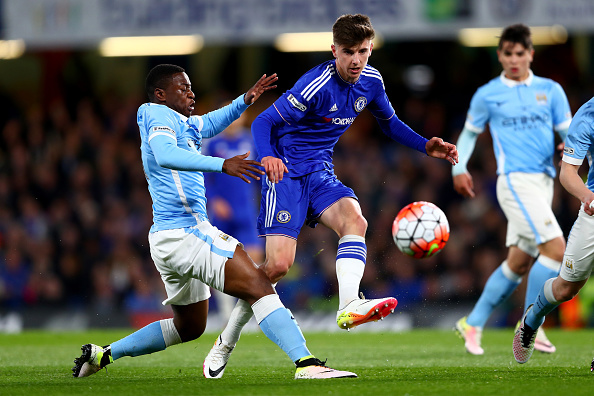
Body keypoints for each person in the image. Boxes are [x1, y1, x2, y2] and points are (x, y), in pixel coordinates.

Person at [203, 14, 459, 379]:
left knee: (356, 220)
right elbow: (263, 123)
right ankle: (226, 341)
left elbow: (388, 122)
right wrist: (269, 156)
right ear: (334, 50)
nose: (357, 60)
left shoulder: (371, 81)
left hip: (321, 172)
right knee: (276, 267)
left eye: (364, 52)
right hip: (287, 174)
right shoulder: (315, 84)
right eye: (350, 52)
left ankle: (349, 303)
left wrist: (424, 144)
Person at [71, 64, 357, 380]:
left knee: (189, 326)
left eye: (191, 87)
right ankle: (307, 364)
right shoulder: (155, 114)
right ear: (160, 94)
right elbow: (164, 154)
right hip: (187, 233)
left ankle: (103, 355)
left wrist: (244, 101)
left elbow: (209, 123)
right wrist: (222, 165)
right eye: (183, 88)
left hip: (168, 239)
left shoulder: (183, 123)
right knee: (259, 284)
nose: (191, 92)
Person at [452, 24, 572, 355]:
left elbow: (569, 132)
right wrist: (458, 167)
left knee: (518, 263)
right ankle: (531, 324)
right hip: (515, 181)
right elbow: (469, 133)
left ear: (530, 54)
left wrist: (567, 148)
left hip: (544, 182)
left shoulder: (551, 90)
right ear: (500, 56)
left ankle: (472, 323)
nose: (515, 59)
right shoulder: (488, 94)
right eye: (508, 53)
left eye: (521, 53)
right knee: (556, 251)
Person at [513, 97, 594, 364]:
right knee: (565, 290)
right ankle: (532, 319)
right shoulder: (587, 115)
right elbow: (568, 173)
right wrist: (587, 197)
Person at [204, 106, 265, 322]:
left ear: (245, 118)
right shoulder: (213, 143)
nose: (234, 121)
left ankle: (252, 313)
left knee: (255, 262)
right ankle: (227, 315)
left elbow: (262, 173)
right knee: (221, 264)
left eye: (238, 116)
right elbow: (203, 175)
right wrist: (214, 200)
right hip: (222, 212)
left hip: (247, 211)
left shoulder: (252, 141)